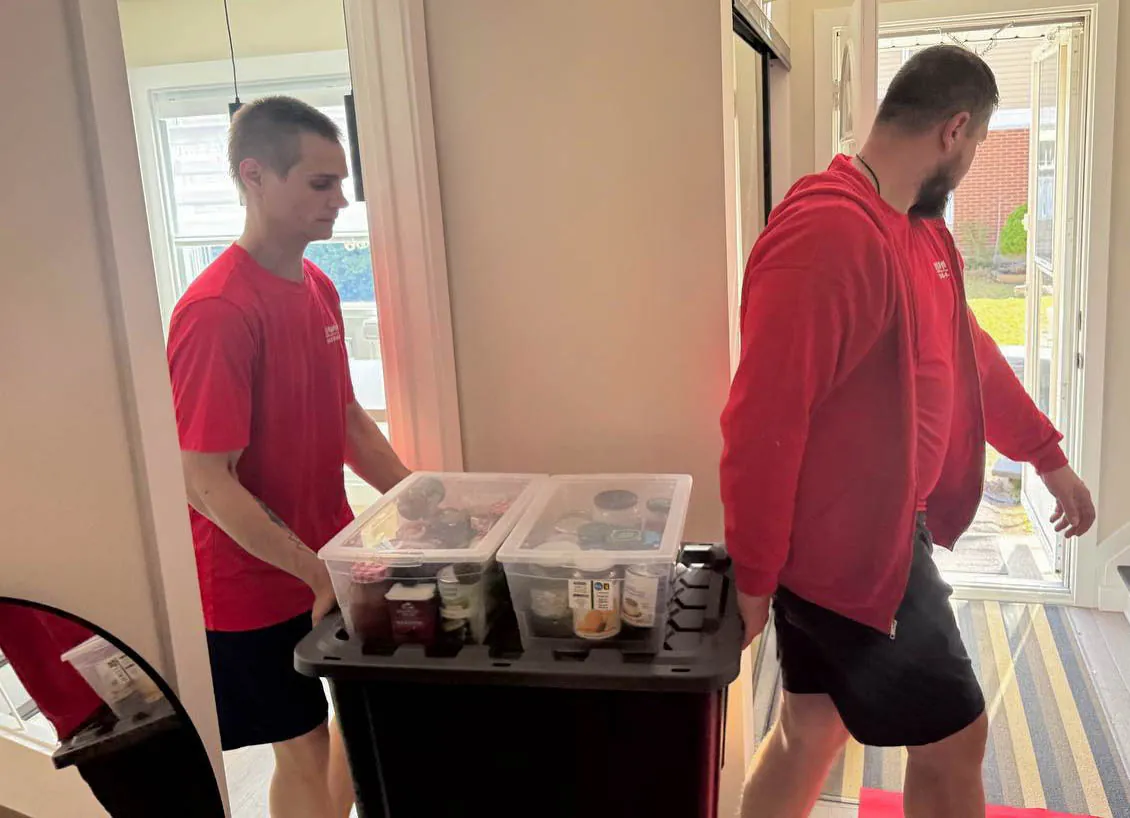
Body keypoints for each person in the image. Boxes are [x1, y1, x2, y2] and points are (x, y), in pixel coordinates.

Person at [720, 46, 1096, 818]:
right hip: (852, 559)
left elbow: (970, 357)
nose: (968, 166)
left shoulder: (921, 235)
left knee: (810, 729)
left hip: (886, 534)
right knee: (956, 739)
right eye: (979, 148)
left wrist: (1047, 457)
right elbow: (764, 422)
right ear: (955, 131)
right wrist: (754, 578)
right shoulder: (827, 234)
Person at [167, 96, 410, 818]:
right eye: (320, 183)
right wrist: (315, 570)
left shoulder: (319, 286)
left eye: (341, 182)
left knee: (343, 735)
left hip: (326, 559)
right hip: (253, 581)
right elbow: (204, 481)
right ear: (255, 177)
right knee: (303, 746)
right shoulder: (217, 312)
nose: (341, 200)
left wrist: (434, 503)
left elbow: (349, 425)